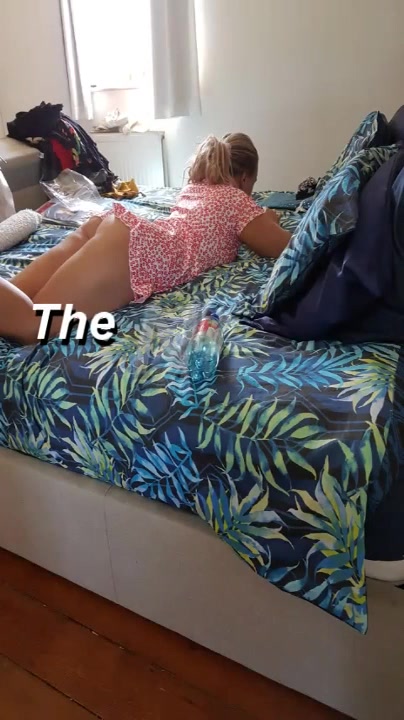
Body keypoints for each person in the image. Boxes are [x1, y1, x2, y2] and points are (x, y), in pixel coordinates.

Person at [0, 132, 291, 345]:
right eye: (253, 184)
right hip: (136, 252)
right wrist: (268, 219)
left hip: (116, 230)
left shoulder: (196, 188)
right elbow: (286, 246)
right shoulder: (237, 201)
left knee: (16, 300)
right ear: (244, 178)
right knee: (34, 326)